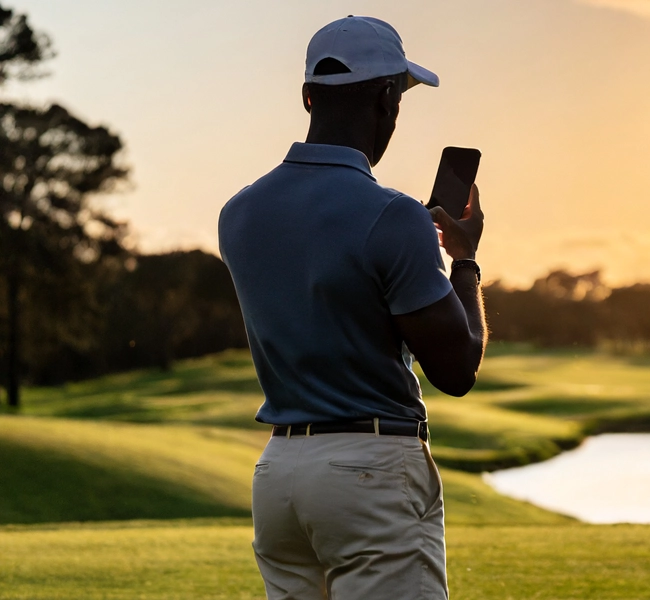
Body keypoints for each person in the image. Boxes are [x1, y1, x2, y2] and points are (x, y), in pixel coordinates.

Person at [216, 15, 487, 600]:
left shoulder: (238, 213)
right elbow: (457, 369)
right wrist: (463, 260)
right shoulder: (394, 216)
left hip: (279, 476)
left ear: (309, 96)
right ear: (388, 97)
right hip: (370, 471)